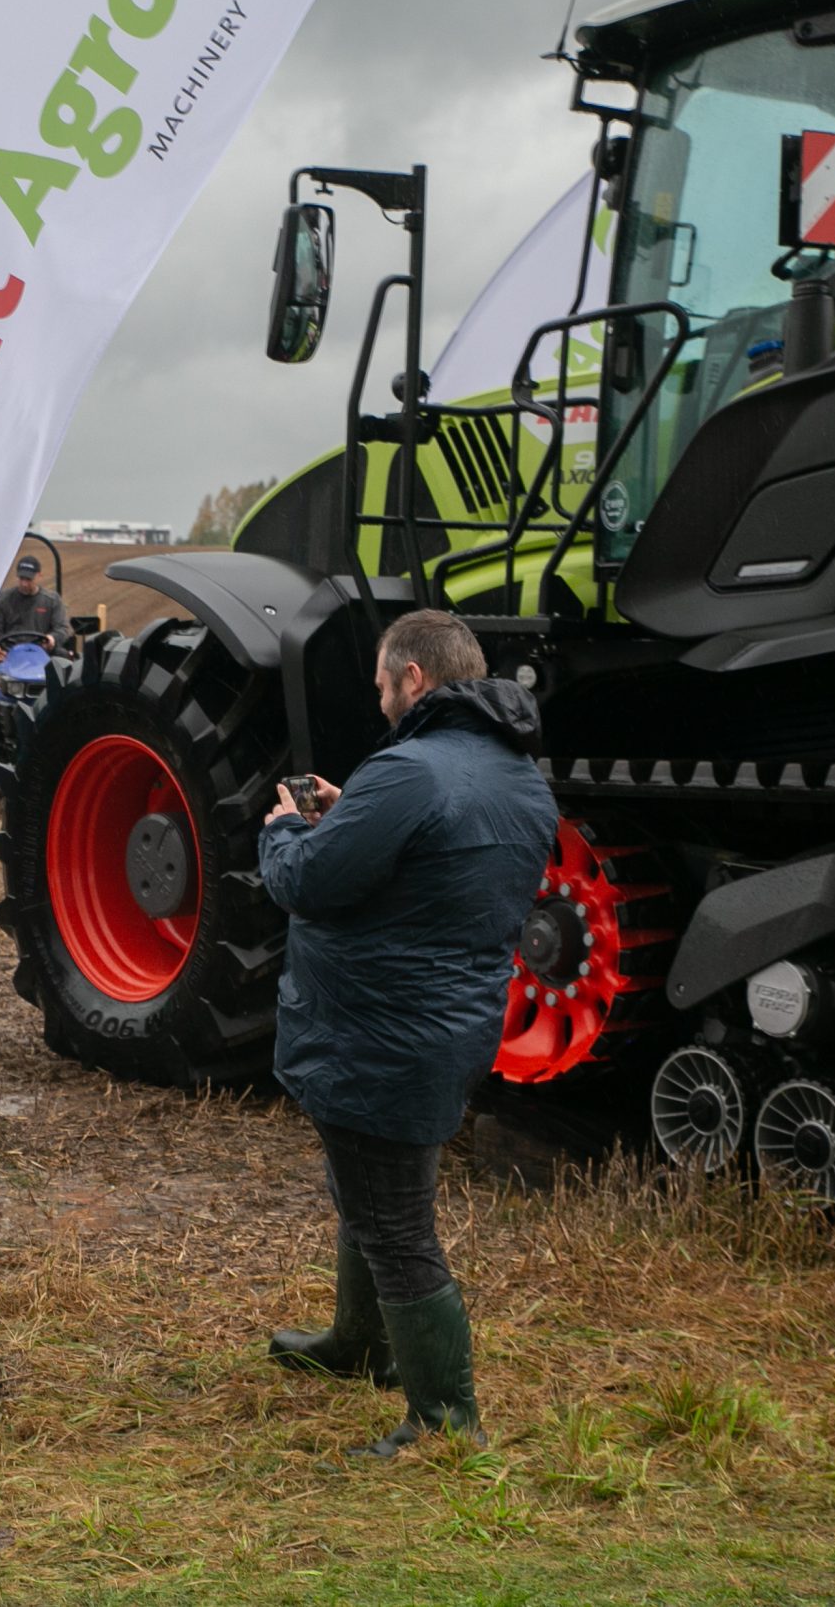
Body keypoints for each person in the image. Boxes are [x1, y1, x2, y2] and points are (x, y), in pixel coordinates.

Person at [255, 608, 556, 1459]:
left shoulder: (408, 770)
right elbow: (432, 872)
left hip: (376, 1037)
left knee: (395, 1225)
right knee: (371, 1194)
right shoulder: (519, 777)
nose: (380, 698)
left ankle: (445, 1419)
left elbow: (307, 881)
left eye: (384, 682)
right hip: (441, 1031)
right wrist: (355, 813)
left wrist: (285, 829)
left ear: (414, 678)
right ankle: (360, 1344)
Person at [0, 555, 67, 661]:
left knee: (63, 656)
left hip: (41, 651)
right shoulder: (2, 600)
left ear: (39, 576)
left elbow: (61, 629)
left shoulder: (52, 601)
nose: (24, 584)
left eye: (28, 579)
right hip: (8, 652)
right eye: (21, 578)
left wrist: (52, 638)